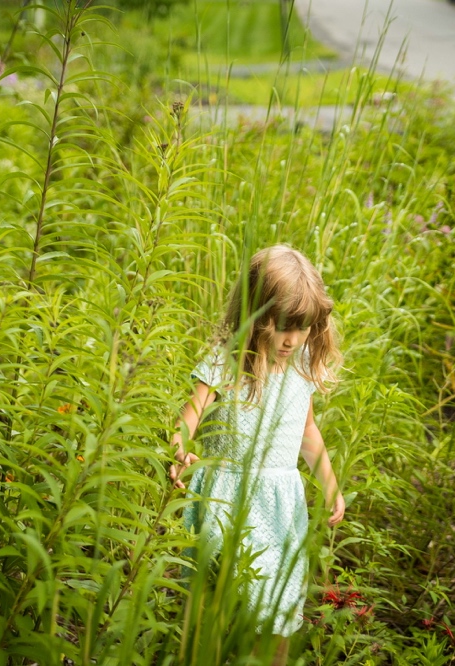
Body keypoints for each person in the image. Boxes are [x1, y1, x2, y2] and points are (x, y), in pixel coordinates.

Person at [169, 245, 346, 664]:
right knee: (212, 611)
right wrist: (177, 451)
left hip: (280, 507)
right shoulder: (225, 363)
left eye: (302, 328)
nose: (291, 339)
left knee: (277, 612)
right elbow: (186, 420)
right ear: (253, 314)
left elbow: (306, 431)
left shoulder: (301, 365)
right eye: (280, 326)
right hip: (224, 502)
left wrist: (329, 483)